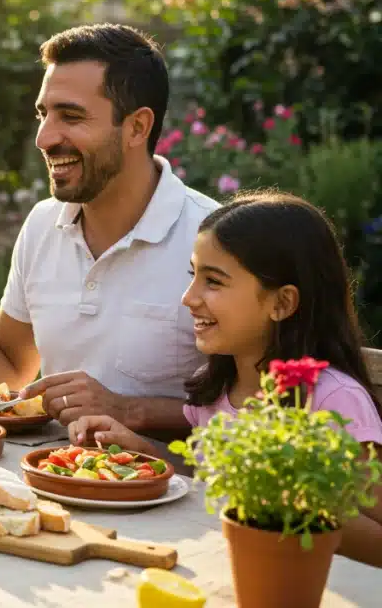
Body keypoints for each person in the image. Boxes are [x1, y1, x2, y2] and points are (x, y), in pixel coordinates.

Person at [0, 23, 219, 439]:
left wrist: (129, 410)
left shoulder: (215, 240)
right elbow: (8, 356)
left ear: (137, 127)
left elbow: (261, 412)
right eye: (43, 115)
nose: (44, 137)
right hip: (49, 469)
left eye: (70, 116)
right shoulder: (43, 223)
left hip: (174, 479)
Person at [69, 190, 382, 567]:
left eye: (213, 282)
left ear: (282, 303)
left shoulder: (334, 401)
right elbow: (212, 482)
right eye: (193, 276)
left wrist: (289, 503)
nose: (188, 298)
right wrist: (144, 451)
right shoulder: (216, 388)